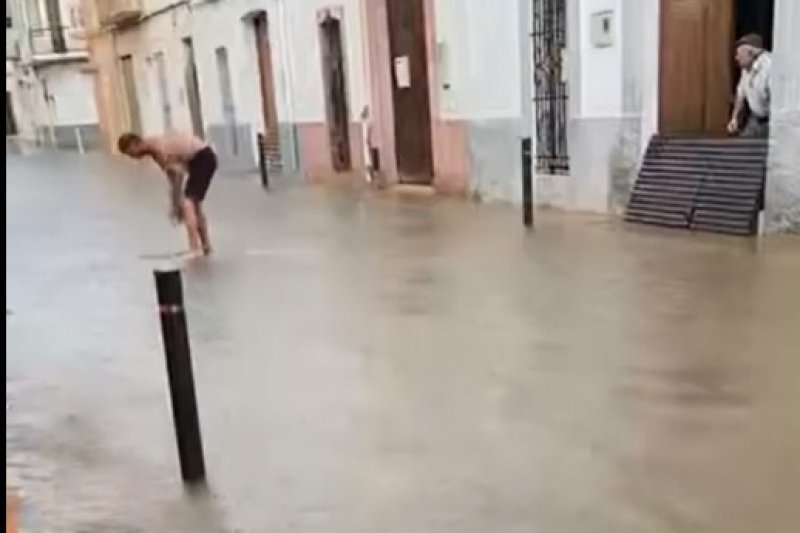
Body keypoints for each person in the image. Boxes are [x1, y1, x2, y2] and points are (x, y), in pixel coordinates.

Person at [118, 132, 217, 256]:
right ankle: (206, 246)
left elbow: (178, 176)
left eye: (130, 152)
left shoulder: (158, 149)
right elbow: (172, 176)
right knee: (194, 205)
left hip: (202, 157)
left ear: (135, 144)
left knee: (188, 204)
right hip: (201, 158)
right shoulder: (154, 148)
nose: (132, 157)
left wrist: (177, 205)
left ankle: (194, 248)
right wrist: (174, 203)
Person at [727, 33, 772, 138]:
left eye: (739, 54)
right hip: (756, 117)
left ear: (751, 53)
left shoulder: (769, 67)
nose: (736, 58)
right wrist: (735, 118)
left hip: (770, 120)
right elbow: (741, 94)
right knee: (744, 145)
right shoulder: (746, 68)